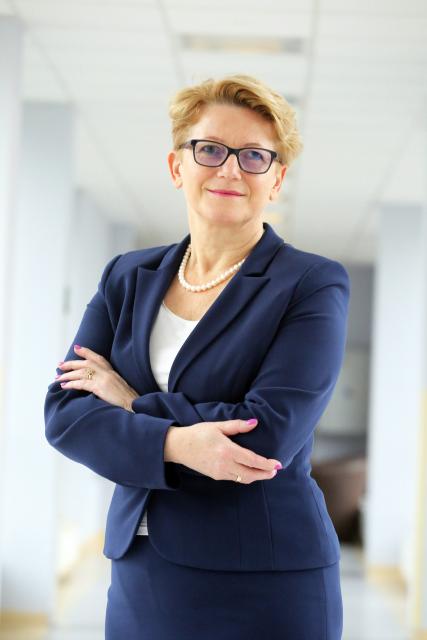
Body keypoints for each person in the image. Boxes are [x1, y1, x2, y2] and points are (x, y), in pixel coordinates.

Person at [44, 73, 350, 639]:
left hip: (266, 580)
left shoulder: (310, 283)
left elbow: (266, 436)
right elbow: (65, 415)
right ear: (176, 166)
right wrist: (179, 442)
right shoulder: (127, 276)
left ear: (277, 178)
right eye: (210, 149)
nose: (230, 170)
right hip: (141, 570)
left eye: (254, 156)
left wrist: (131, 404)